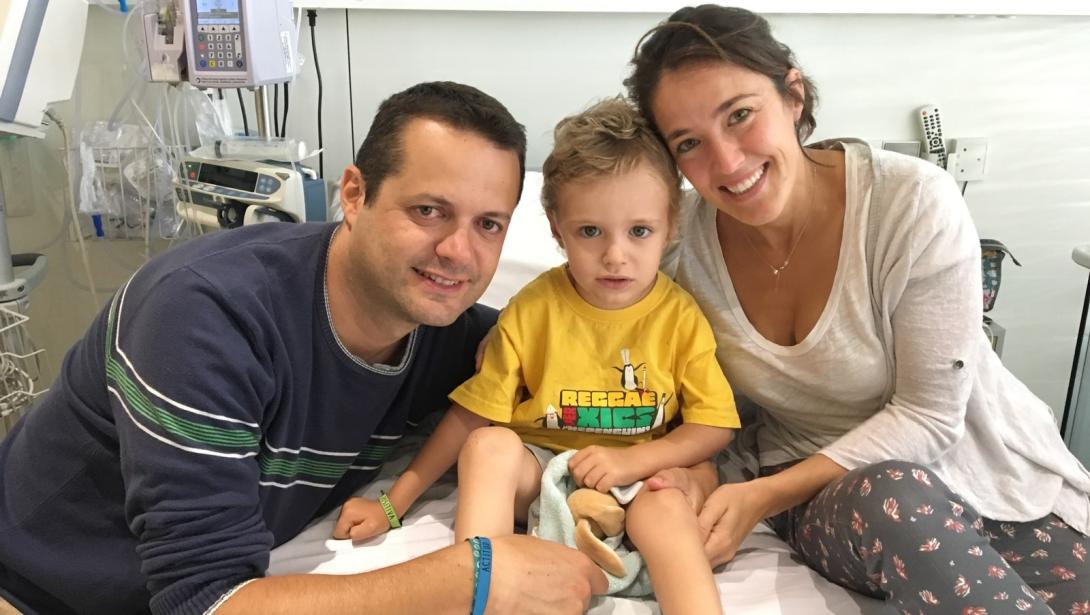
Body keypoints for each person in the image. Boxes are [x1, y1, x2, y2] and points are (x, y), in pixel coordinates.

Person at [0, 81, 607, 615]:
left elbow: (604, 382)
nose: (459, 253)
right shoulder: (205, 318)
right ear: (353, 195)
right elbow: (203, 602)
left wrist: (681, 472)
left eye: (489, 224)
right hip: (34, 589)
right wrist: (475, 580)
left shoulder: (448, 330)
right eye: (428, 211)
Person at [625, 5, 1090, 614]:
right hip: (822, 496)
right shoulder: (676, 245)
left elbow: (929, 415)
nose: (729, 162)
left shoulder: (909, 205)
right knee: (891, 493)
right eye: (689, 144)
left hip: (977, 467)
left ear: (793, 95)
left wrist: (755, 496)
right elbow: (616, 339)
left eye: (740, 115)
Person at [335, 97, 740, 615]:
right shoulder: (532, 310)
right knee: (487, 446)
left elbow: (714, 427)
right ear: (556, 227)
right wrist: (393, 503)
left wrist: (635, 461)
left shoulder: (680, 317)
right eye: (590, 232)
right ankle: (478, 586)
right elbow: (472, 414)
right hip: (541, 471)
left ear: (670, 225)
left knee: (667, 507)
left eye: (639, 232)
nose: (616, 255)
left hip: (637, 482)